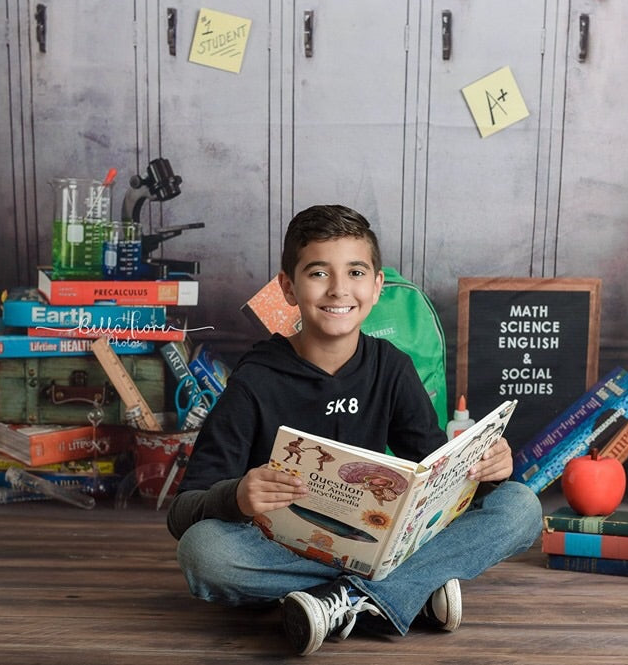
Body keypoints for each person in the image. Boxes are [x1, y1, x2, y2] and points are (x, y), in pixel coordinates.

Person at [167, 205, 543, 656]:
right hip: (282, 549)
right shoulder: (255, 380)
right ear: (288, 287)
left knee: (521, 505)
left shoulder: (392, 368)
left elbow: (439, 487)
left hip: (379, 543)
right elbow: (182, 513)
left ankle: (342, 601)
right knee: (203, 552)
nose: (339, 289)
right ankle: (401, 593)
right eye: (318, 273)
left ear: (378, 285)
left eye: (356, 272)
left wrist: (486, 470)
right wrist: (237, 496)